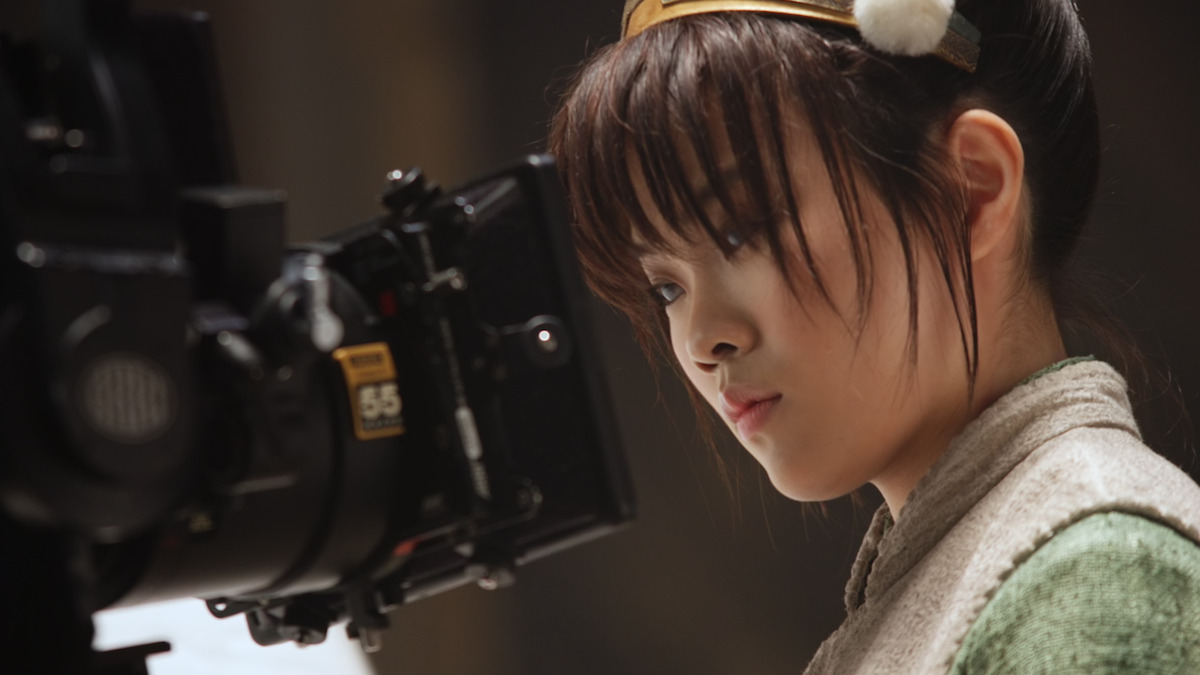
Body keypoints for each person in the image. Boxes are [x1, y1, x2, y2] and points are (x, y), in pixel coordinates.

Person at [548, 0, 1200, 672]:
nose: (701, 338)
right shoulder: (1000, 568)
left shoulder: (1099, 577)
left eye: (742, 231)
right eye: (667, 287)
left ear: (969, 190)